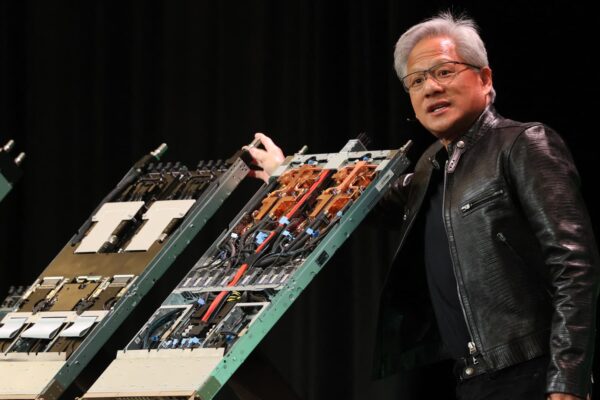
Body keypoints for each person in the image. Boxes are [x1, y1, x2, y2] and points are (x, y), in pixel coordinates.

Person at [247, 11, 599, 400]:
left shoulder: (522, 144)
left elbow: (574, 267)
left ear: (485, 79)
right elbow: (363, 202)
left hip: (532, 371)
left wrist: (567, 379)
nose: (430, 88)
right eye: (416, 81)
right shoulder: (433, 165)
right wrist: (286, 174)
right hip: (474, 378)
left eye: (444, 72)